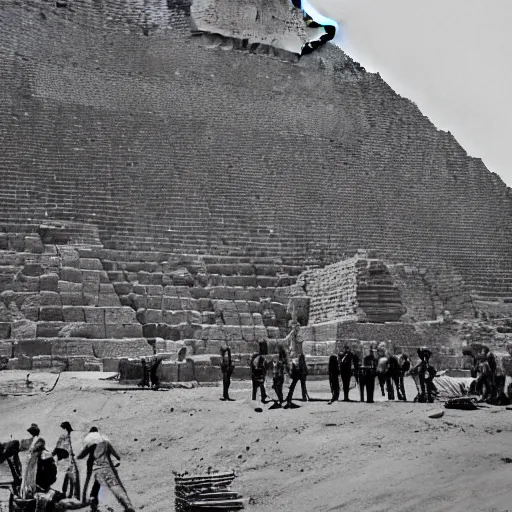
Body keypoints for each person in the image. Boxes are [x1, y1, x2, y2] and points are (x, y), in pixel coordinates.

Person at [77, 430, 135, 512]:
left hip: (97, 470)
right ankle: (128, 506)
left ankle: (95, 505)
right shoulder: (106, 443)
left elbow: (80, 456)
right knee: (115, 487)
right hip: (107, 469)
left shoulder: (90, 444)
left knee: (98, 486)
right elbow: (117, 456)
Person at [52, 421, 80, 499]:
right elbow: (57, 447)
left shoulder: (73, 435)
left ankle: (74, 495)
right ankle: (65, 493)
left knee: (73, 477)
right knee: (66, 477)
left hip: (73, 459)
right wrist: (53, 455)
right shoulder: (63, 436)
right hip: (66, 459)